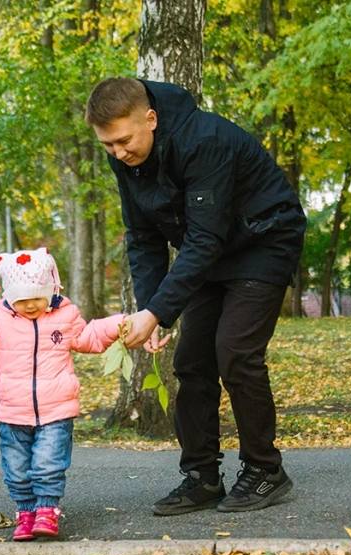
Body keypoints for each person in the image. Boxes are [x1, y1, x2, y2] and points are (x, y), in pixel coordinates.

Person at [85, 77, 306, 516]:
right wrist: (151, 308)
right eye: (108, 146)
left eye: (124, 141)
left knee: (235, 352)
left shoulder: (204, 140)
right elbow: (143, 235)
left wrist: (158, 311)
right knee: (191, 362)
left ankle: (265, 470)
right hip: (213, 248)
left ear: (150, 118)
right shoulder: (125, 158)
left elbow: (204, 239)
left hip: (264, 240)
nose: (118, 153)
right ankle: (202, 476)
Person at [0, 247, 123, 540]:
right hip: (13, 411)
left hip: (56, 409)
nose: (29, 306)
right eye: (21, 300)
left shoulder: (64, 315)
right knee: (16, 468)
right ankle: (25, 512)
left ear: (49, 289)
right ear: (9, 296)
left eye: (36, 299)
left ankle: (47, 510)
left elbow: (90, 337)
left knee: (48, 463)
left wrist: (119, 324)